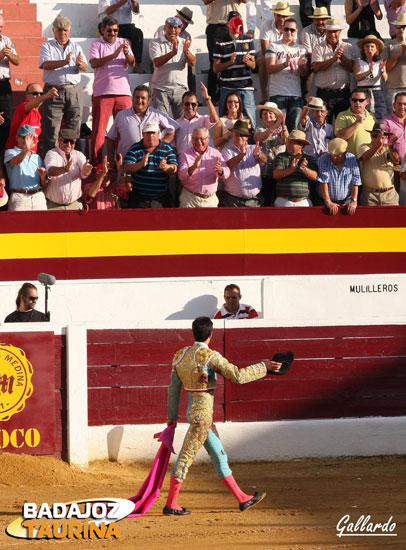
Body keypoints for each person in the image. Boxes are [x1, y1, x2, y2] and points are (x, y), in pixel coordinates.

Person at [164, 316, 291, 515]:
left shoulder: (180, 355)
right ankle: (171, 504)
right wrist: (263, 366)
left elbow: (173, 389)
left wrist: (171, 418)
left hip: (196, 415)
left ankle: (242, 498)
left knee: (219, 455)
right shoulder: (210, 356)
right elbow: (238, 376)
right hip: (203, 418)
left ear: (194, 332)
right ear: (211, 334)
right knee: (185, 457)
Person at [89, 15, 134, 164]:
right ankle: (96, 165)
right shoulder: (96, 44)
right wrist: (114, 54)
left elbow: (133, 63)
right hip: (103, 93)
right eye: (109, 30)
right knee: (99, 132)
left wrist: (126, 52)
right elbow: (94, 63)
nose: (113, 33)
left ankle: (122, 165)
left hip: (123, 92)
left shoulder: (123, 42)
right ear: (102, 30)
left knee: (125, 131)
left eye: (115, 30)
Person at [39, 16, 87, 155]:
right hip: (54, 90)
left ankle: (76, 163)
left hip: (73, 90)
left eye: (65, 30)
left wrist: (79, 64)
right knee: (52, 131)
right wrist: (64, 62)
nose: (62, 33)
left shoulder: (76, 46)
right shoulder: (46, 46)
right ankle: (51, 164)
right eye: (59, 30)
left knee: (74, 130)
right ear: (53, 30)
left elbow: (84, 66)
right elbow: (46, 64)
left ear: (69, 30)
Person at [106, 84, 179, 168]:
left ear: (148, 101)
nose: (139, 100)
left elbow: (174, 128)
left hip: (151, 165)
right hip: (127, 163)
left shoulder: (157, 114)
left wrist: (160, 144)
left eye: (143, 98)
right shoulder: (122, 115)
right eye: (137, 97)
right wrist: (111, 160)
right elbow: (111, 138)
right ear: (132, 99)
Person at [213, 15, 257, 127]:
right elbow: (215, 68)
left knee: (250, 121)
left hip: (245, 87)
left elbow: (253, 65)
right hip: (227, 86)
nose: (236, 35)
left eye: (237, 32)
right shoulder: (220, 42)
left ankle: (251, 144)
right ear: (229, 27)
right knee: (224, 121)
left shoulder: (248, 39)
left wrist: (247, 62)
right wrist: (229, 62)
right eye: (234, 32)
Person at [265, 19, 308, 132]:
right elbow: (269, 68)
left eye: (292, 30)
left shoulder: (301, 49)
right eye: (286, 29)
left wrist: (302, 66)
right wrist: (284, 64)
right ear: (282, 30)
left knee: (294, 131)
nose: (289, 32)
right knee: (277, 130)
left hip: (295, 95)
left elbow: (304, 73)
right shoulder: (273, 46)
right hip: (278, 94)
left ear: (296, 31)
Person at [122, 121, 178, 208]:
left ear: (158, 134)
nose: (151, 136)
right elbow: (126, 167)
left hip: (161, 199)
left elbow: (174, 168)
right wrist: (140, 164)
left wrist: (166, 167)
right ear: (143, 134)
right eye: (148, 133)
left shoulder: (167, 148)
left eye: (153, 133)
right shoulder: (135, 148)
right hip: (139, 198)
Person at [149, 17, 196, 120]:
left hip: (180, 90)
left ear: (180, 29)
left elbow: (193, 62)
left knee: (182, 122)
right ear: (165, 27)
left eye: (176, 28)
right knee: (160, 122)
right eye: (170, 27)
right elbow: (157, 62)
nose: (173, 30)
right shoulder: (155, 42)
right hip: (161, 89)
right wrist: (172, 53)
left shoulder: (185, 42)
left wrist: (186, 52)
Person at [311, 19, 355, 122]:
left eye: (335, 31)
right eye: (329, 31)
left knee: (344, 125)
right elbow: (316, 67)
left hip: (343, 94)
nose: (332, 34)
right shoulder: (318, 47)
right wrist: (333, 59)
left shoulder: (348, 47)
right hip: (325, 94)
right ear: (326, 32)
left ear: (339, 32)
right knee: (324, 126)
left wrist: (342, 57)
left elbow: (352, 68)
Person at [205, 0, 248, 100]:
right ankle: (213, 97)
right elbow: (205, 1)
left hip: (235, 23)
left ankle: (236, 93)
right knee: (215, 61)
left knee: (238, 59)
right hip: (217, 25)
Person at [178, 126, 230, 207]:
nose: (199, 142)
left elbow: (227, 173)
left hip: (210, 200)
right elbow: (181, 176)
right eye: (195, 139)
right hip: (190, 198)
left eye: (202, 139)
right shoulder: (185, 154)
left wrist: (221, 170)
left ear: (208, 139)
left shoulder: (216, 154)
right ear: (191, 139)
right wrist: (194, 167)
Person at [44, 129, 93, 209]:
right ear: (59, 140)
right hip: (54, 206)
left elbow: (84, 172)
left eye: (72, 142)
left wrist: (85, 172)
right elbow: (50, 171)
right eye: (66, 141)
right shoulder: (51, 153)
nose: (69, 144)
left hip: (74, 205)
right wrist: (64, 169)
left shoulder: (79, 155)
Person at [221, 120, 266, 206]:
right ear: (232, 135)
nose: (239, 137)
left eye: (241, 135)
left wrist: (258, 154)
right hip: (233, 200)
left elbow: (264, 159)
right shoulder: (226, 150)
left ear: (246, 137)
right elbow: (228, 165)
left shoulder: (253, 148)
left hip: (254, 200)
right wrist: (241, 155)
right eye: (236, 134)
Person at [4, 124, 48, 211]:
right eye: (23, 137)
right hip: (20, 198)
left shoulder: (37, 157)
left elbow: (44, 184)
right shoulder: (10, 152)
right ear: (17, 137)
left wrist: (43, 178)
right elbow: (16, 161)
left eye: (30, 137)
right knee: (19, 225)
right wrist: (26, 149)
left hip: (38, 197)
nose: (26, 140)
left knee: (42, 224)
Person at [5, 83, 58, 153]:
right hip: (15, 155)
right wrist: (46, 95)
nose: (39, 96)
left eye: (41, 93)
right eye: (35, 93)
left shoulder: (38, 114)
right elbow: (29, 106)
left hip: (30, 156)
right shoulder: (22, 107)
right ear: (27, 95)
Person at [258, 2, 293, 104]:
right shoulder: (266, 25)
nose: (282, 19)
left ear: (289, 16)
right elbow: (265, 51)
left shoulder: (290, 26)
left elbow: (292, 49)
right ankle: (264, 95)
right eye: (279, 15)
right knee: (263, 61)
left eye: (284, 16)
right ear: (274, 15)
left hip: (280, 56)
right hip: (268, 56)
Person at [154, 7, 196, 93]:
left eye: (186, 24)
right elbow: (156, 49)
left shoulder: (187, 35)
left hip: (180, 62)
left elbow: (190, 57)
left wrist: (186, 52)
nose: (184, 26)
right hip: (163, 59)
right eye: (183, 22)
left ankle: (191, 95)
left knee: (191, 67)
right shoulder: (162, 30)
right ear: (176, 17)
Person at [273, 129, 318, 207]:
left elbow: (315, 176)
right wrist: (291, 170)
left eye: (292, 143)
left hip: (303, 202)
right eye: (288, 142)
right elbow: (276, 174)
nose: (288, 145)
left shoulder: (309, 159)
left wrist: (304, 169)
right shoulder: (280, 157)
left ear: (301, 145)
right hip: (283, 201)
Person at [358, 122, 400, 205]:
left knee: (392, 218)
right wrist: (377, 145)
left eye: (381, 136)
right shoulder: (364, 147)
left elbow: (396, 161)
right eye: (375, 136)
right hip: (369, 194)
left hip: (389, 194)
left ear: (385, 137)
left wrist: (391, 146)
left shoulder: (388, 148)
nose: (378, 139)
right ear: (370, 135)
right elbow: (365, 158)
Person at [317, 137, 361, 214]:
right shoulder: (323, 159)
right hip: (324, 202)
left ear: (345, 153)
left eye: (337, 155)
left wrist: (354, 201)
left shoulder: (352, 158)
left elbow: (355, 182)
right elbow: (323, 183)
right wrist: (328, 202)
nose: (334, 157)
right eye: (332, 154)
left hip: (346, 201)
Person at [254, 102, 286, 205]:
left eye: (270, 113)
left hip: (280, 174)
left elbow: (286, 141)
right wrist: (277, 124)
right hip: (264, 175)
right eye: (264, 113)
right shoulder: (259, 129)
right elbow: (260, 138)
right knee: (265, 203)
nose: (268, 115)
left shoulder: (282, 128)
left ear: (276, 116)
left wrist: (283, 125)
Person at [98, 0, 144, 72]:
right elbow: (108, 11)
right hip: (108, 25)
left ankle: (137, 65)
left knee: (137, 33)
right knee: (106, 30)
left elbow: (136, 11)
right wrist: (123, 1)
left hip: (126, 26)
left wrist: (134, 2)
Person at [174, 82, 218, 155]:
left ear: (197, 105)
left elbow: (215, 119)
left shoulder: (202, 120)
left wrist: (207, 98)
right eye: (187, 104)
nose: (190, 107)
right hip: (182, 159)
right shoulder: (176, 123)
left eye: (193, 104)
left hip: (199, 158)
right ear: (182, 105)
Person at [353, 35, 387, 121]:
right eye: (367, 47)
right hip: (362, 92)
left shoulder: (380, 61)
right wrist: (368, 71)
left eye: (372, 47)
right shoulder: (358, 61)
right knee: (363, 117)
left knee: (380, 116)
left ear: (376, 49)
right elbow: (357, 77)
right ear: (363, 49)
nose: (369, 49)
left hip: (376, 92)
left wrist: (382, 70)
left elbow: (385, 78)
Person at [335, 88, 375, 156]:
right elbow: (340, 136)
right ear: (350, 101)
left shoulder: (372, 117)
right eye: (354, 100)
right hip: (350, 161)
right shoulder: (342, 115)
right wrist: (357, 123)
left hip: (367, 159)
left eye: (361, 100)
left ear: (367, 101)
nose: (357, 103)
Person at [0, 15, 20, 152]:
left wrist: (9, 54)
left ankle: (1, 158)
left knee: (7, 122)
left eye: (1, 26)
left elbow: (17, 60)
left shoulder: (6, 40)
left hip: (4, 85)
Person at [382, 14, 406, 113]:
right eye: (398, 26)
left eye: (404, 26)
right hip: (393, 88)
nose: (401, 29)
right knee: (393, 119)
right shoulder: (388, 45)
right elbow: (386, 67)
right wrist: (400, 53)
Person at [382, 91, 406, 158]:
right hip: (395, 166)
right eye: (399, 104)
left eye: (405, 104)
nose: (402, 107)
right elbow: (382, 147)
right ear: (394, 105)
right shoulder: (385, 123)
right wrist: (390, 144)